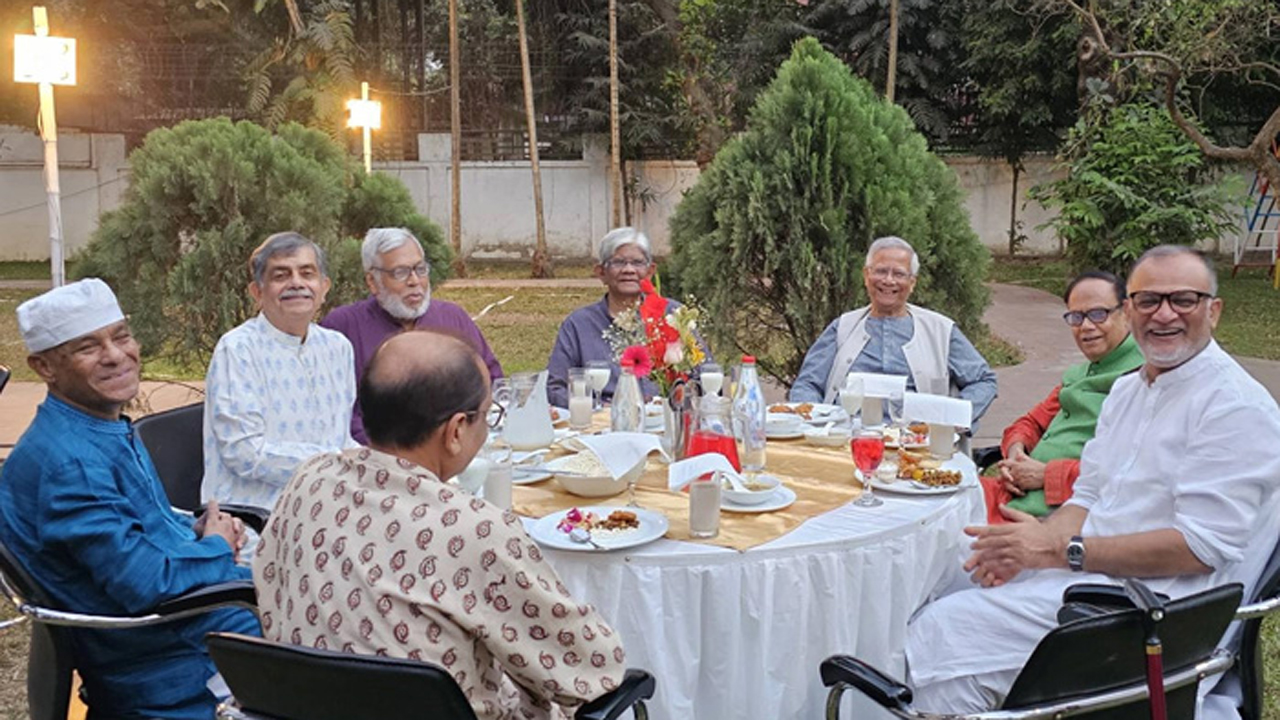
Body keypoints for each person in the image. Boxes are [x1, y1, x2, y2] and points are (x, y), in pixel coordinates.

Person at [905, 246, 1280, 716]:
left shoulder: (1234, 407)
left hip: (1151, 612)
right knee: (939, 568)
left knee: (943, 629)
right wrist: (1039, 540)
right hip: (1086, 573)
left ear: (1214, 311)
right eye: (1148, 300)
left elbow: (1200, 548)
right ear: (1130, 310)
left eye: (1184, 299)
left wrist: (1059, 552)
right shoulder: (1127, 391)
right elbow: (1087, 496)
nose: (1164, 314)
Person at [254, 330, 627, 720]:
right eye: (488, 415)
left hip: (304, 706)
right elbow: (591, 668)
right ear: (456, 431)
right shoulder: (474, 530)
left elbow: (267, 586)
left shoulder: (309, 479)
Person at [0, 279, 259, 720]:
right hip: (175, 662)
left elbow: (137, 526)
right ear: (44, 367)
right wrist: (217, 546)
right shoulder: (69, 464)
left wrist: (194, 529)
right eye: (88, 347)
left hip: (194, 628)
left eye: (121, 336)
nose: (116, 355)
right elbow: (145, 583)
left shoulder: (95, 423)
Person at [202, 232, 357, 512]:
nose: (296, 283)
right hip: (254, 513)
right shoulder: (237, 349)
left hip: (330, 503)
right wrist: (335, 462)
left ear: (324, 288)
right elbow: (244, 453)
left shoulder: (337, 347)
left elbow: (341, 438)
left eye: (307, 273)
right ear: (257, 292)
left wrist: (376, 464)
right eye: (281, 275)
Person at [979, 271, 1144, 523]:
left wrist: (1047, 475)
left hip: (1062, 518)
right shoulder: (1079, 375)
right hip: (1011, 495)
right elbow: (1030, 422)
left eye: (1098, 314)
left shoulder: (1144, 378)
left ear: (1127, 312)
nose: (1086, 326)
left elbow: (1134, 474)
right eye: (1076, 317)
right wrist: (1016, 456)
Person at [321, 227, 503, 443]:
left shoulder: (453, 317)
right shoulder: (343, 327)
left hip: (459, 447)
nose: (415, 281)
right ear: (372, 282)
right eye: (400, 272)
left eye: (420, 269)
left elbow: (494, 383)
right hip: (378, 454)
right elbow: (336, 415)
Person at [790, 236, 998, 424]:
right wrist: (815, 423)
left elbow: (983, 381)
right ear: (866, 276)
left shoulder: (940, 331)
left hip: (916, 443)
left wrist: (949, 419)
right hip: (845, 439)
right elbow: (808, 383)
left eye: (899, 273)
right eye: (881, 271)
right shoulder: (843, 327)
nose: (889, 280)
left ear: (912, 282)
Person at [546, 226, 677, 406]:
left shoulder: (673, 316)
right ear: (601, 272)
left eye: (638, 262)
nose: (629, 269)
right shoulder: (578, 325)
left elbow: (701, 378)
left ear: (650, 271)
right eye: (618, 262)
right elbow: (554, 388)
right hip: (600, 419)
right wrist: (597, 408)